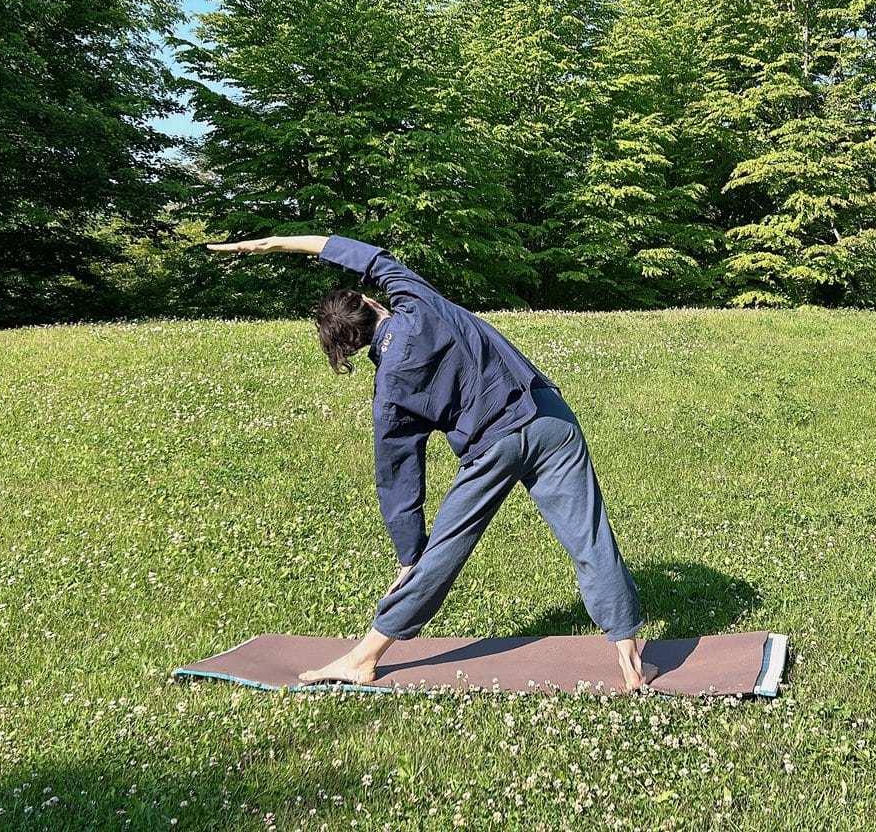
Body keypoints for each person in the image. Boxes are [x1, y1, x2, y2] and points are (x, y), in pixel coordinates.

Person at [206, 233, 650, 691]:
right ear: (368, 300)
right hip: (550, 420)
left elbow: (398, 477)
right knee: (589, 536)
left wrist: (409, 555)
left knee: (439, 558)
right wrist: (277, 243)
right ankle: (629, 651)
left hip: (492, 447)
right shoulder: (417, 301)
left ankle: (363, 659)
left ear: (351, 344)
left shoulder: (390, 390)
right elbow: (368, 256)